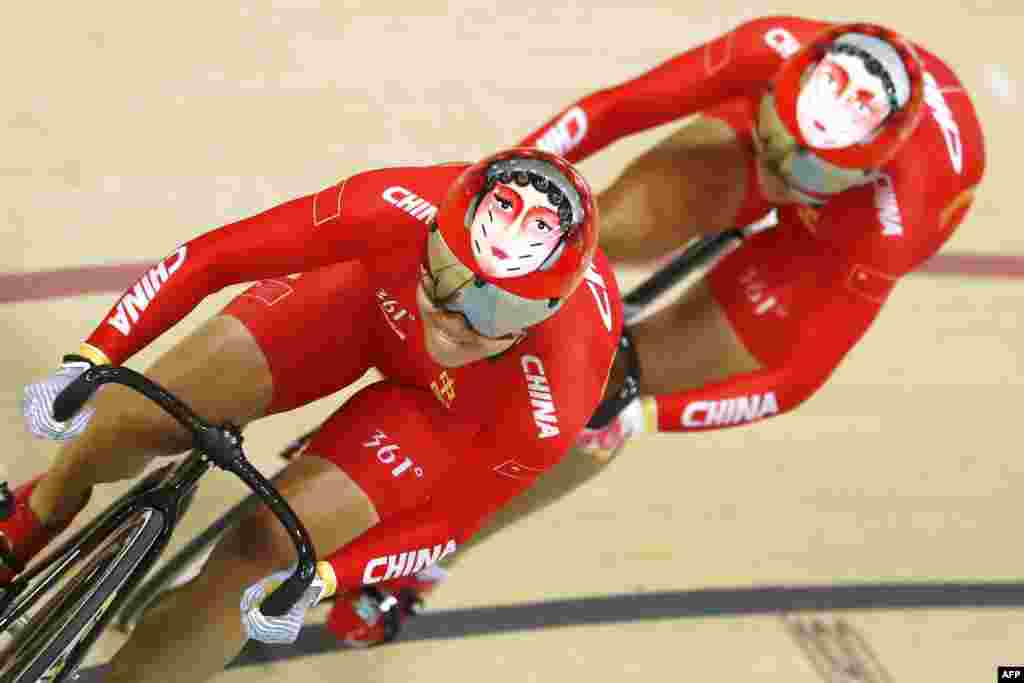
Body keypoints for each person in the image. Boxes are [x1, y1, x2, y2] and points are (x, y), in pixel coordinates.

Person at [325, 17, 987, 645]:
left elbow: (797, 379)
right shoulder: (770, 49)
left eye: (809, 170)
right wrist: (509, 177)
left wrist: (647, 412)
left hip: (824, 247)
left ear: (868, 171)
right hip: (780, 150)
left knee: (604, 401)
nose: (780, 174)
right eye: (778, 139)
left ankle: (426, 560)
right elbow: (616, 109)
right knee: (575, 250)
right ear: (778, 91)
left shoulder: (887, 226)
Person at [12, 148, 621, 681]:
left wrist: (324, 580)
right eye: (447, 276)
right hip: (362, 304)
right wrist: (90, 357)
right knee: (135, 411)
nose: (455, 318)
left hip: (444, 413)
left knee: (265, 561)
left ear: (548, 312)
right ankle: (36, 513)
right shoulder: (389, 204)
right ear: (431, 233)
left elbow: (451, 521)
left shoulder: (557, 391)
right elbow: (211, 259)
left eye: (496, 312)